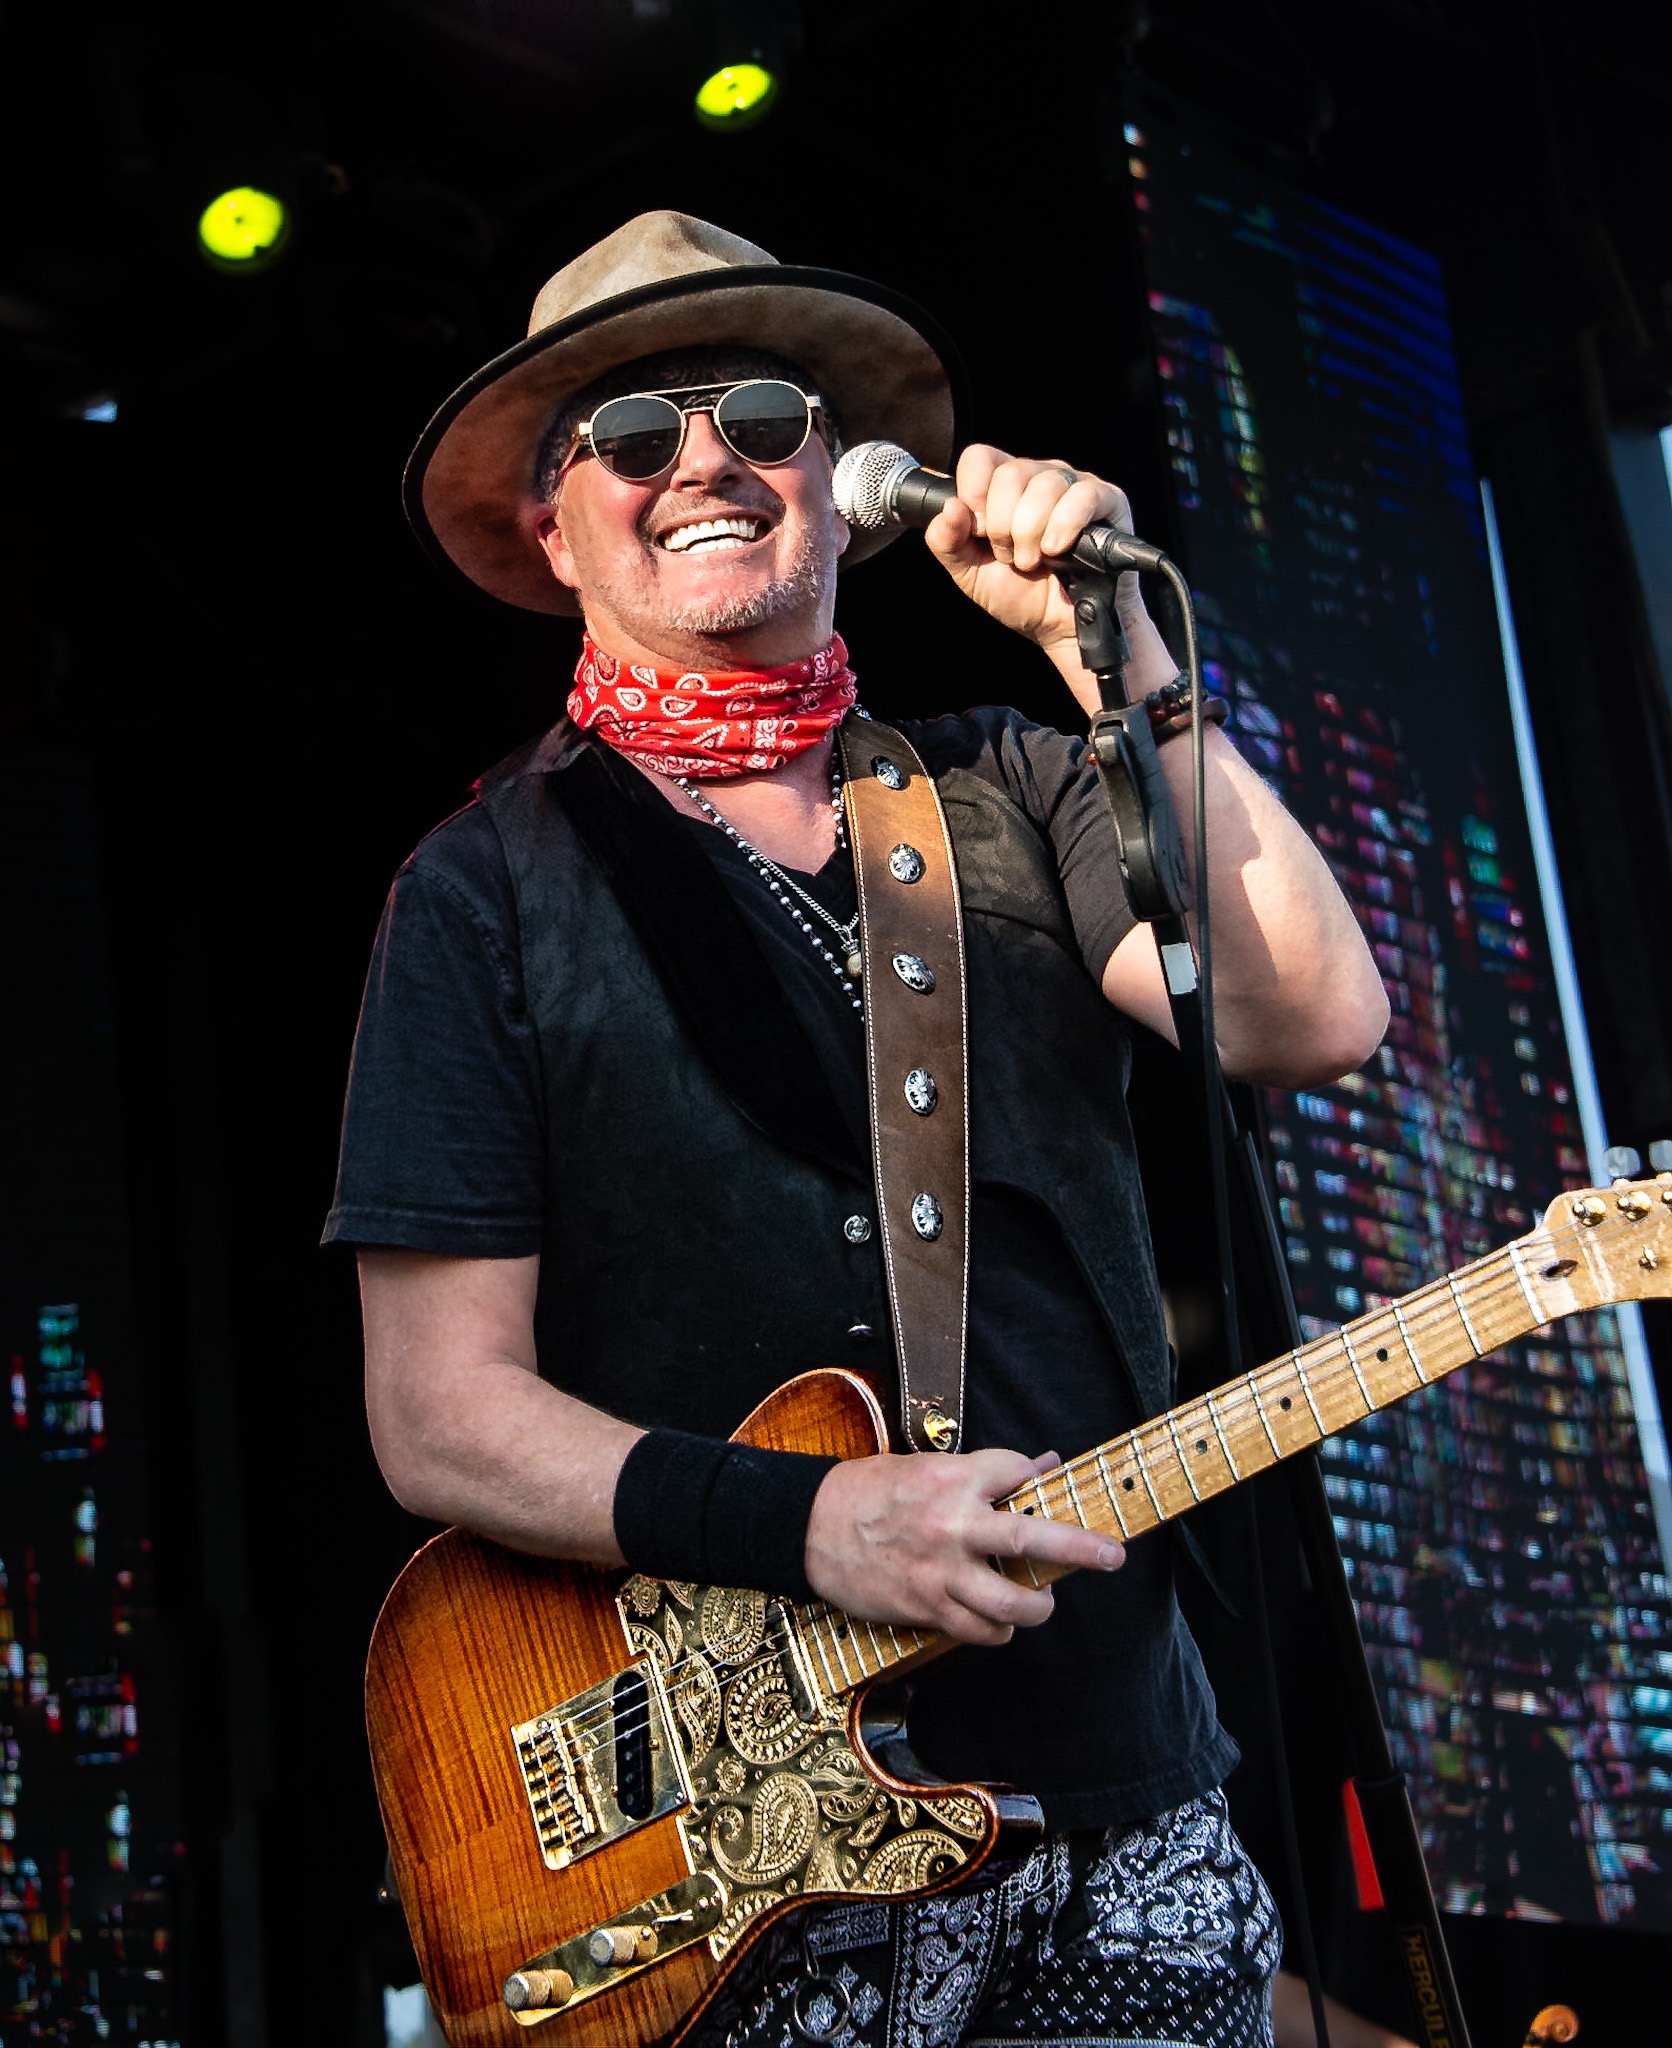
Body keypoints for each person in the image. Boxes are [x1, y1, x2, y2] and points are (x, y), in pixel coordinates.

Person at [327, 212, 1389, 2048]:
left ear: (842, 480)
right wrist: (811, 1521)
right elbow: (437, 1413)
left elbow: (1310, 1016)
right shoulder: (481, 892)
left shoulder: (1014, 779)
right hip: (742, 1849)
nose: (703, 464)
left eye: (758, 415)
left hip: (1122, 1787)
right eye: (633, 436)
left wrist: (1114, 652)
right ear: (552, 525)